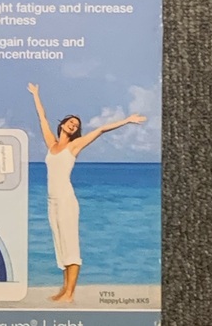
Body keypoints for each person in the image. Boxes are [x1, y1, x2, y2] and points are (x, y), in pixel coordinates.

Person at [27, 82, 146, 302]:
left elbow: (100, 130)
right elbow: (42, 118)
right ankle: (64, 289)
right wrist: (36, 94)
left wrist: (127, 120)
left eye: (76, 125)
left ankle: (70, 294)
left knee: (71, 246)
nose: (73, 125)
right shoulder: (52, 145)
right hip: (52, 201)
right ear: (63, 124)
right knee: (61, 246)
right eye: (71, 122)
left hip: (66, 200)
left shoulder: (75, 146)